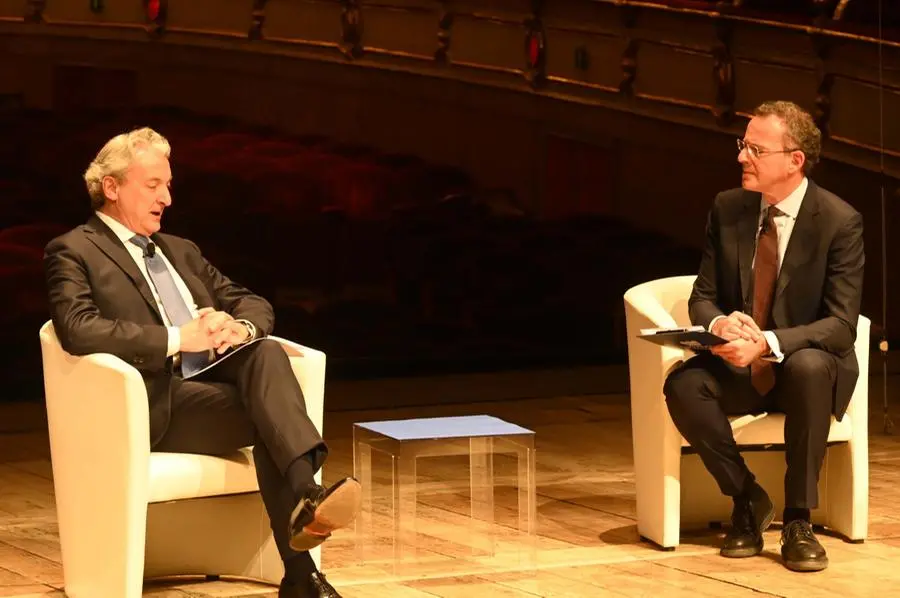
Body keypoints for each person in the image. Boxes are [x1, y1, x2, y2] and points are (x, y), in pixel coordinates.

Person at [44, 127, 361, 598]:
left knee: (266, 351)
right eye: (152, 185)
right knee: (270, 419)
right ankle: (301, 560)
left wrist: (240, 330)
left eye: (168, 185)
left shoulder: (181, 251)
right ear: (111, 187)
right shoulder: (75, 250)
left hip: (209, 391)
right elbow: (76, 327)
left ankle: (304, 510)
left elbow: (250, 302)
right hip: (148, 405)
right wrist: (178, 337)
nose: (166, 197)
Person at [663, 101, 864, 572]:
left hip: (801, 365)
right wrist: (720, 325)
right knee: (684, 384)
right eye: (742, 145)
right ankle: (747, 498)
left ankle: (798, 520)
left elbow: (840, 325)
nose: (742, 157)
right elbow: (703, 295)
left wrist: (768, 342)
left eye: (755, 148)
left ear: (795, 160)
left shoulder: (839, 221)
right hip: (739, 364)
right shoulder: (728, 208)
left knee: (812, 366)